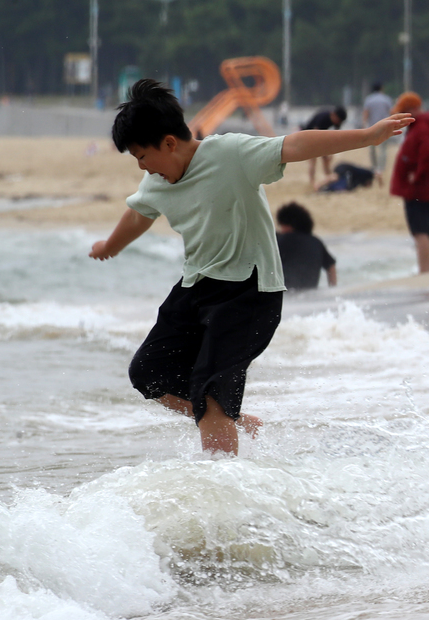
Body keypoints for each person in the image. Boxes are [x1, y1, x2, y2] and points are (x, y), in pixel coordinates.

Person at [89, 79, 410, 454]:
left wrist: (368, 136)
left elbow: (295, 145)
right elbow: (138, 213)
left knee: (210, 387)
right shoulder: (156, 181)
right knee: (148, 373)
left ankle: (221, 483)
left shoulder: (230, 153)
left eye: (141, 155)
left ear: (169, 143)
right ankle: (230, 419)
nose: (142, 166)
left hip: (250, 291)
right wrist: (110, 246)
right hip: (197, 287)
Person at [389, 91, 429, 274]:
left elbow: (426, 154)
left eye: (403, 112)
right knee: (422, 233)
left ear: (413, 110)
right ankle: (424, 270)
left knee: (420, 233)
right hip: (423, 189)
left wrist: (417, 176)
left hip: (419, 190)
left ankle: (424, 272)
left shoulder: (422, 128)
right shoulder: (423, 126)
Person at [275, 202, 337, 291]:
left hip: (287, 297)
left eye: (281, 225)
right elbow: (331, 266)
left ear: (288, 225)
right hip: (309, 298)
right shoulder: (316, 242)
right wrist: (332, 289)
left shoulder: (283, 239)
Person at [300, 104, 348, 187]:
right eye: (338, 120)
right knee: (313, 160)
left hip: (320, 137)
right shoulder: (324, 117)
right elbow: (315, 133)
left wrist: (331, 152)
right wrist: (324, 151)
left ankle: (328, 178)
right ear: (334, 115)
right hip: (310, 136)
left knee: (326, 160)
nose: (338, 123)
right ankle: (312, 182)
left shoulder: (336, 121)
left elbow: (335, 136)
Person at [362, 83, 394, 177]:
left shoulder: (369, 99)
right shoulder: (386, 99)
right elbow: (391, 112)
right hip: (385, 126)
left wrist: (364, 125)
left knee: (372, 149)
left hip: (372, 127)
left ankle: (374, 167)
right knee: (383, 149)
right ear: (381, 88)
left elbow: (366, 113)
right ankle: (381, 167)